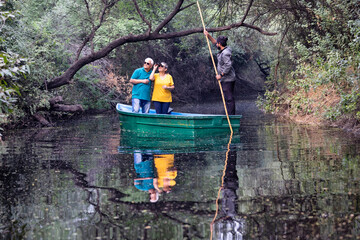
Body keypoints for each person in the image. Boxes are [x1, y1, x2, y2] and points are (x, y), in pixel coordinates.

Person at [204, 30, 237, 115]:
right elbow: (215, 43)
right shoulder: (225, 48)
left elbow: (228, 65)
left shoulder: (225, 53)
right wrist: (208, 36)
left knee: (229, 98)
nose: (216, 44)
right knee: (227, 98)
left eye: (217, 43)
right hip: (226, 78)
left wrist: (221, 75)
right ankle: (229, 114)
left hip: (227, 79)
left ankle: (231, 117)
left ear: (220, 44)